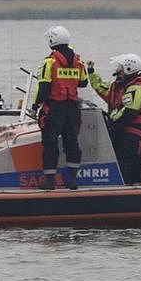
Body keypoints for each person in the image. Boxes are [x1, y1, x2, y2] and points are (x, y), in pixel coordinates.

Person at [88, 53, 141, 186]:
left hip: (135, 132)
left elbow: (130, 111)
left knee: (128, 159)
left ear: (128, 68)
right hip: (124, 130)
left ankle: (132, 185)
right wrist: (91, 72)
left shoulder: (137, 88)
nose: (117, 70)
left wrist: (112, 120)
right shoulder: (118, 86)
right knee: (120, 156)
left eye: (119, 67)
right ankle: (124, 183)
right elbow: (100, 87)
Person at [30, 26, 88, 190]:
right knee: (72, 142)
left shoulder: (50, 62)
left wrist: (35, 107)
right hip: (72, 108)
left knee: (50, 143)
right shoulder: (78, 62)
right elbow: (83, 82)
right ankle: (72, 180)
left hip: (54, 108)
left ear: (51, 41)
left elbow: (44, 88)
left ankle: (49, 181)